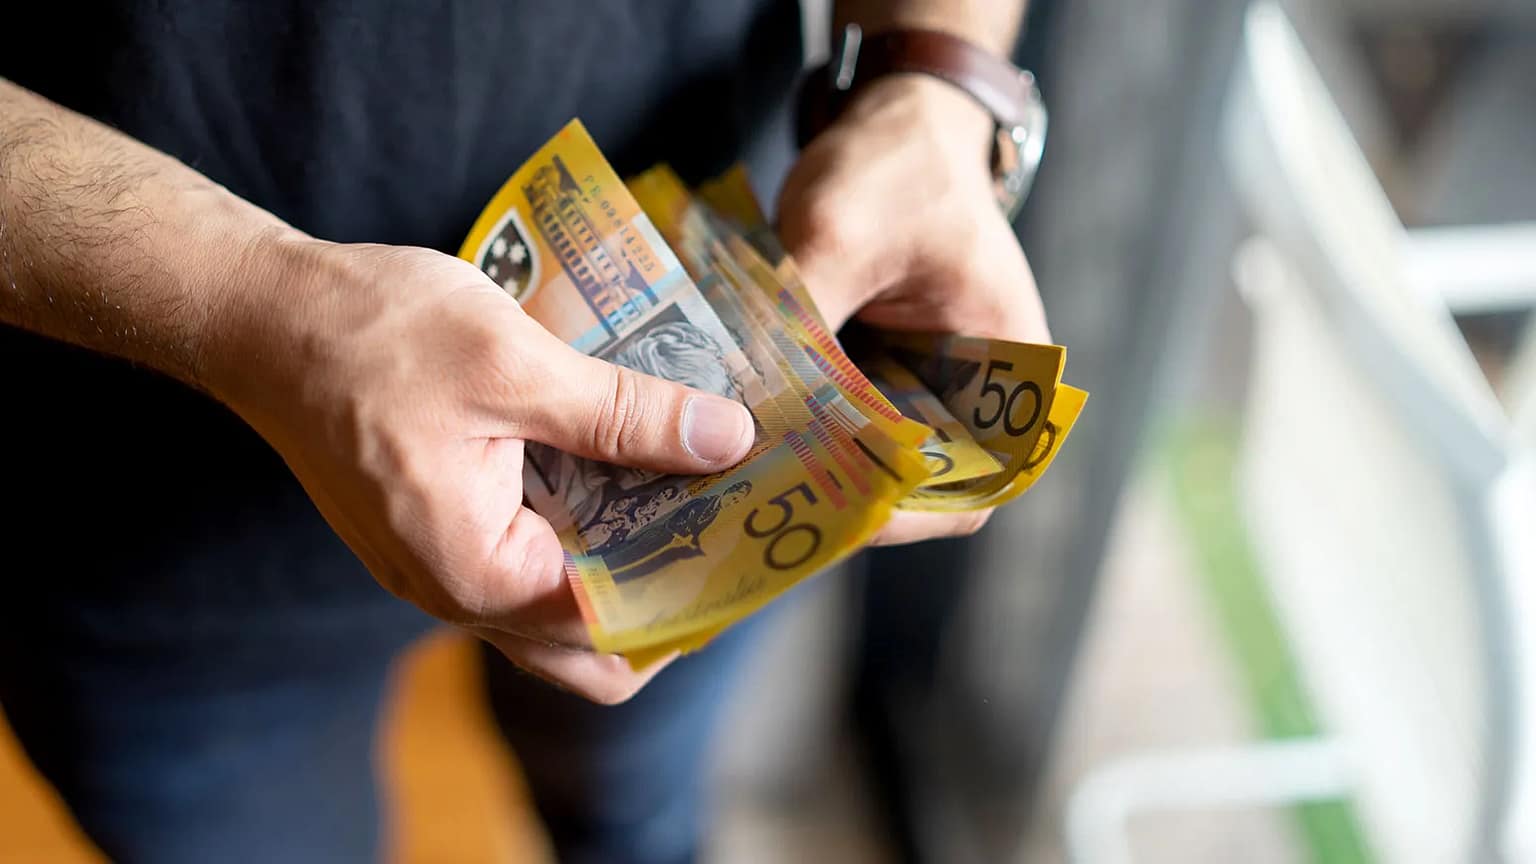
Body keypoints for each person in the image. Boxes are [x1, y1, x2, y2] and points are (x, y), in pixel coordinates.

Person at [0, 1, 1047, 862]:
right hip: (145, 515)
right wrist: (253, 305)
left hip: (744, 256)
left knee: (638, 812)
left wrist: (932, 81)